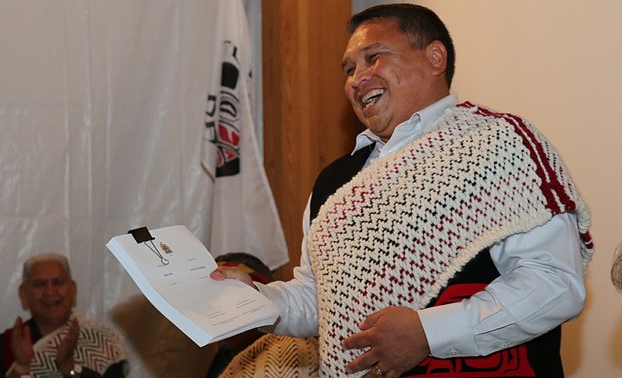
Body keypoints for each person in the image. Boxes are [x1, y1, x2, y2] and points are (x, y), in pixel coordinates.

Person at [211, 3, 594, 377]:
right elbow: (319, 299)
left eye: (373, 57)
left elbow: (556, 286)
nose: (356, 79)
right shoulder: (334, 181)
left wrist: (428, 333)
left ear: (435, 57)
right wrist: (256, 301)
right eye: (348, 69)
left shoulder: (499, 144)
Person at [0, 253, 128, 377]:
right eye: (40, 284)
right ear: (24, 294)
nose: (50, 292)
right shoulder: (7, 343)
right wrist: (21, 367)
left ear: (72, 290)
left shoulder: (103, 341)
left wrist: (69, 367)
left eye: (58, 282)